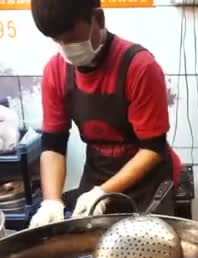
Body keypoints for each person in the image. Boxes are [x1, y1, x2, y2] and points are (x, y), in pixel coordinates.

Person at [29, 0, 180, 228]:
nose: (65, 47)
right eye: (56, 40)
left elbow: (153, 148)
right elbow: (53, 144)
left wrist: (103, 192)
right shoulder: (56, 71)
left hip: (148, 184)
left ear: (98, 19)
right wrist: (51, 201)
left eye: (71, 37)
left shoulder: (139, 67)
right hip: (97, 175)